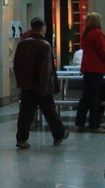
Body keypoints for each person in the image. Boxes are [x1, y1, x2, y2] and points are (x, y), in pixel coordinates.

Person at [14, 17, 69, 148]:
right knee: (50, 112)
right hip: (41, 85)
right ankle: (58, 134)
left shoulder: (22, 44)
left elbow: (17, 65)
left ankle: (21, 139)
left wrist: (20, 82)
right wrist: (45, 87)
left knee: (25, 114)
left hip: (27, 85)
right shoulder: (44, 45)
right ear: (43, 28)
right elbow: (46, 68)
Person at [73, 12, 105, 133]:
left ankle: (79, 123)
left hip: (86, 68)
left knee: (86, 97)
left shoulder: (85, 34)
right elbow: (103, 51)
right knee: (95, 98)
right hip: (96, 68)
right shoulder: (97, 34)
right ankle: (94, 124)